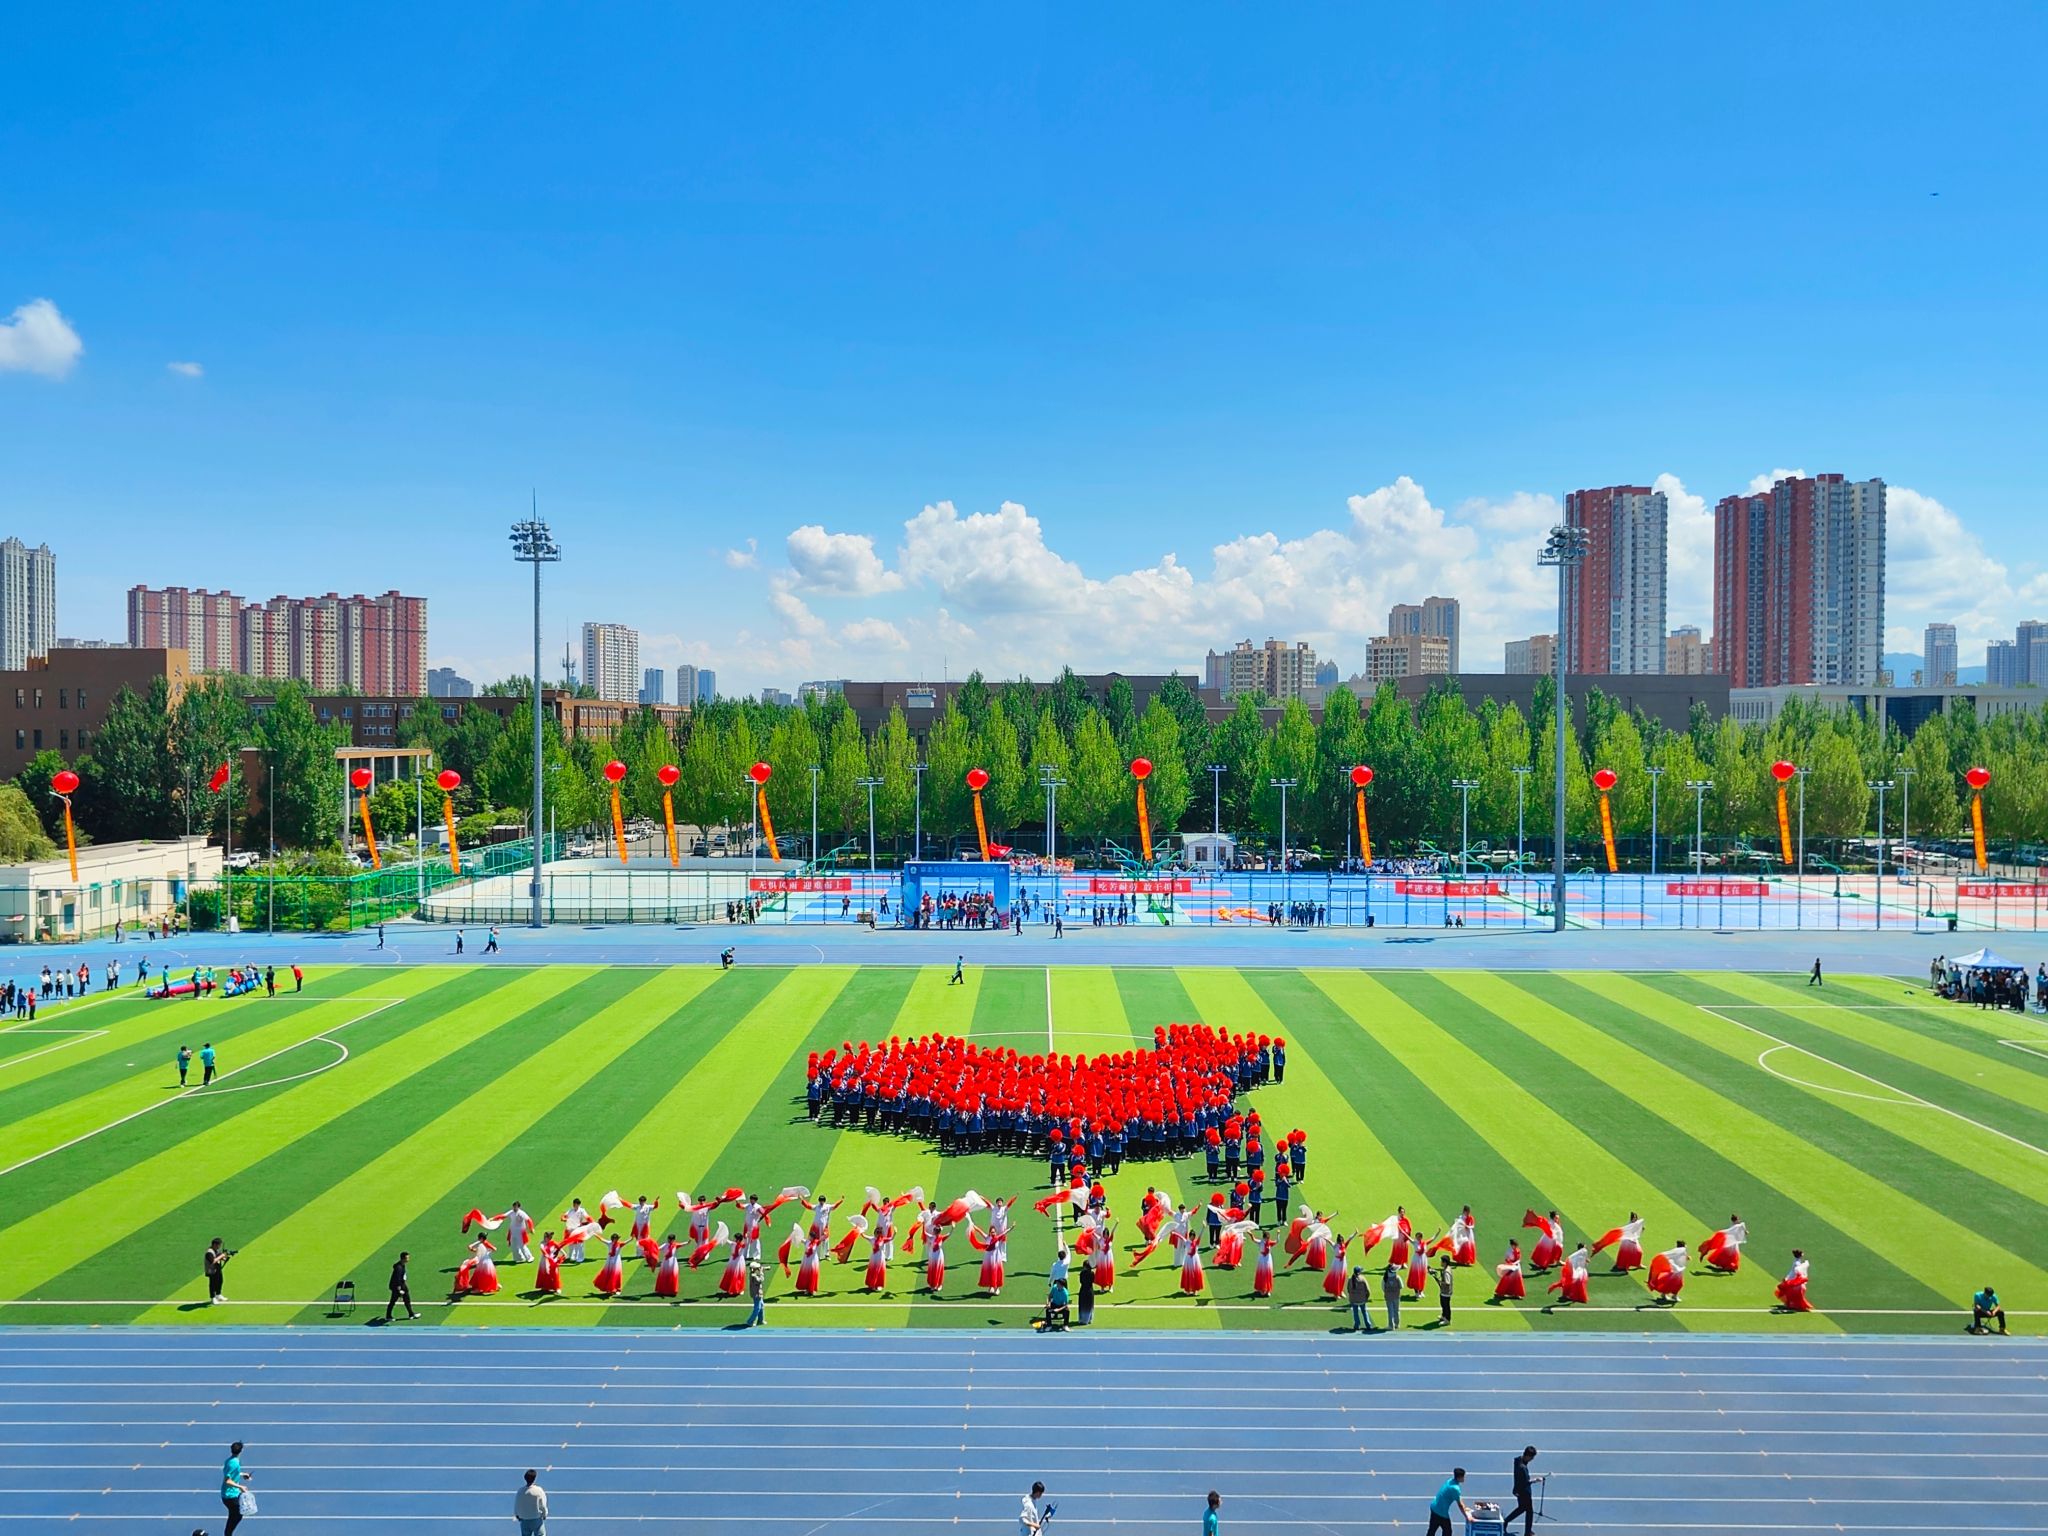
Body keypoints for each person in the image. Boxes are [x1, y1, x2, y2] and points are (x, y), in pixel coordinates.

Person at [1505, 1446, 1539, 1536]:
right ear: (1527, 1456)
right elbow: (1526, 1482)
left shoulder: (1518, 1460)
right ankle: (1527, 1532)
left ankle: (1506, 1522)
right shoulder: (1522, 1468)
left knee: (1522, 1509)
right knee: (1528, 1511)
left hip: (1518, 1490)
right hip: (1524, 1492)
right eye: (1531, 1457)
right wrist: (1536, 1480)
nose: (1532, 1459)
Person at [1426, 1467, 1467, 1536]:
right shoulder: (1455, 1488)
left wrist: (1465, 1507)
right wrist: (1467, 1516)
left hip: (1434, 1507)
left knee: (1432, 1530)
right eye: (1463, 1476)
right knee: (1447, 1531)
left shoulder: (1450, 1481)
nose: (1464, 1478)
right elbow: (1460, 1505)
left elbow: (1459, 1497)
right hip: (1441, 1512)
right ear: (1459, 1477)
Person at [220, 1441, 250, 1535]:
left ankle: (228, 1533)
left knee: (235, 1515)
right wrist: (241, 1486)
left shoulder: (229, 1460)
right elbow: (227, 1481)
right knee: (237, 1515)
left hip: (231, 1494)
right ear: (241, 1451)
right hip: (230, 1496)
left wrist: (242, 1474)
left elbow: (230, 1473)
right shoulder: (234, 1463)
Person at [514, 1468, 549, 1535]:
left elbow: (517, 1504)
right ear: (534, 1478)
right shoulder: (539, 1490)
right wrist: (544, 1514)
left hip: (524, 1519)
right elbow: (543, 1505)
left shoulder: (520, 1491)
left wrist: (517, 1515)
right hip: (536, 1518)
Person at [386, 1250, 418, 1321]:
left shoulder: (402, 1265)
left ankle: (411, 1314)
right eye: (407, 1258)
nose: (408, 1259)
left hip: (402, 1285)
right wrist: (399, 1290)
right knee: (393, 1301)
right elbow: (397, 1279)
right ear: (403, 1259)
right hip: (396, 1287)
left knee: (407, 1299)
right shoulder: (399, 1268)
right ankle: (388, 1316)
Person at [1347, 1261, 1376, 1333]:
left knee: (1355, 1313)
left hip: (1354, 1300)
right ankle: (1368, 1325)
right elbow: (1368, 1290)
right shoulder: (1362, 1279)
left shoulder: (1350, 1280)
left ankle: (1357, 1325)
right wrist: (1366, 1298)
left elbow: (1348, 1290)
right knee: (1364, 1312)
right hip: (1362, 1299)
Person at [203, 1238, 233, 1305]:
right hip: (211, 1270)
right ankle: (213, 1298)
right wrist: (222, 1255)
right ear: (214, 1244)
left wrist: (224, 1257)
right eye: (218, 1245)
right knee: (213, 1284)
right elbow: (213, 1261)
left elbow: (219, 1257)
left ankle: (218, 1294)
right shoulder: (209, 1252)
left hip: (217, 1269)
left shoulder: (216, 1250)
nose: (219, 1246)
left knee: (220, 1281)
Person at [1381, 1261, 1403, 1330]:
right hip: (1396, 1296)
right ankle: (1397, 1324)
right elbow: (1401, 1286)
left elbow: (1383, 1288)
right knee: (1396, 1310)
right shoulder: (1397, 1278)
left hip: (1388, 1297)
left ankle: (1391, 1325)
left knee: (1390, 1311)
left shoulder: (1385, 1278)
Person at [745, 1257, 766, 1327]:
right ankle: (750, 1321)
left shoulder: (754, 1274)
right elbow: (761, 1280)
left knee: (761, 1306)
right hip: (756, 1294)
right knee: (757, 1308)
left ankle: (760, 1320)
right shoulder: (753, 1275)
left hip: (758, 1293)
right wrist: (761, 1272)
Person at [1434, 1253, 1454, 1325]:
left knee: (1446, 1306)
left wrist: (1440, 1282)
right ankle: (1444, 1316)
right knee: (1443, 1304)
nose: (1441, 1263)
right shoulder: (1448, 1268)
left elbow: (1447, 1282)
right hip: (1444, 1292)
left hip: (1446, 1292)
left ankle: (1447, 1319)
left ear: (1445, 1262)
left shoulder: (1446, 1272)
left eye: (1441, 1261)